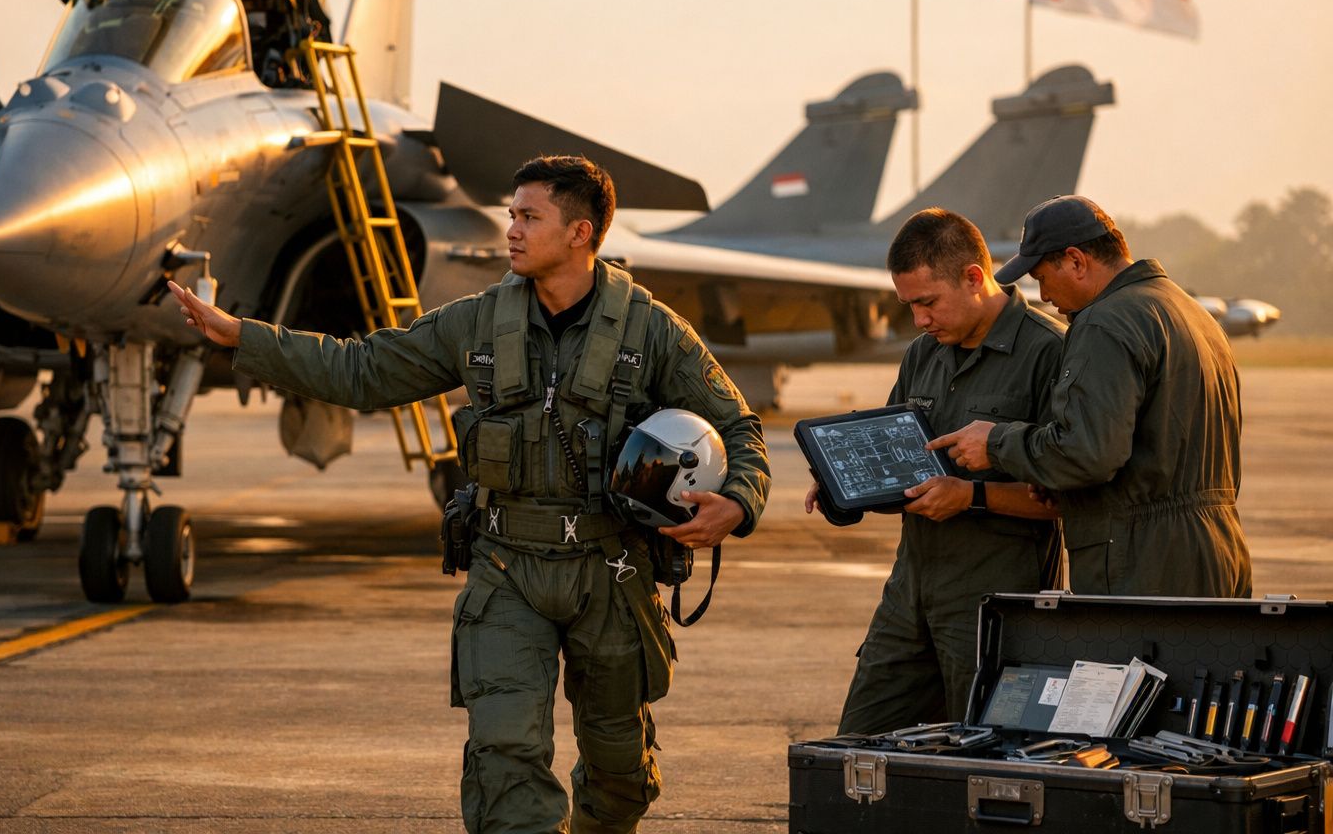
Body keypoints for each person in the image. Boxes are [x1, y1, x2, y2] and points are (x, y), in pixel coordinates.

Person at [169, 155, 770, 834]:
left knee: (619, 767)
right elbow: (362, 371)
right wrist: (243, 336)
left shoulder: (651, 330)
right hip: (507, 567)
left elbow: (738, 428)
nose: (509, 229)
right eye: (510, 214)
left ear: (580, 233)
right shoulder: (476, 322)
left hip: (611, 571)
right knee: (504, 756)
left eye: (527, 217)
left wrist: (740, 501)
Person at [806, 208, 1066, 735]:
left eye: (928, 302)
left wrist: (970, 497)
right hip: (910, 595)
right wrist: (846, 483)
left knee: (991, 761)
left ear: (974, 278)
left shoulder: (1049, 351)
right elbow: (898, 462)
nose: (919, 320)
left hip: (996, 609)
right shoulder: (924, 353)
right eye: (909, 307)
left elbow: (1074, 496)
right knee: (860, 749)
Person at [929, 194, 1252, 598]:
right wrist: (1059, 484)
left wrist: (995, 443)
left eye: (1043, 277)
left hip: (1143, 561)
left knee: (1137, 663)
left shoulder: (1105, 322)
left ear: (1076, 261)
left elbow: (1088, 453)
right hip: (1219, 547)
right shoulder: (1190, 313)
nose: (1044, 296)